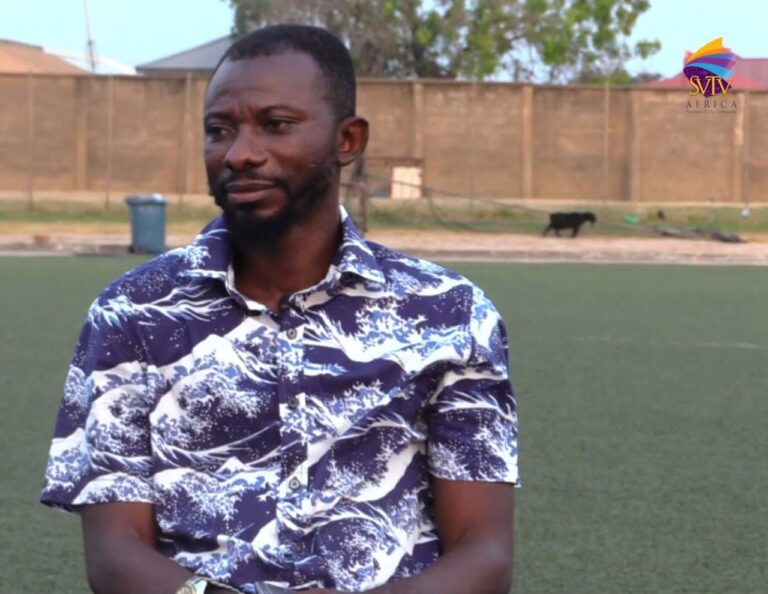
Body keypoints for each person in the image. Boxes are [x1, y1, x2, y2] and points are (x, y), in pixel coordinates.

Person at [41, 24, 519, 594]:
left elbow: (484, 553)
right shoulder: (132, 314)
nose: (240, 153)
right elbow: (114, 554)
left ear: (348, 141)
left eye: (276, 124)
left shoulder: (450, 314)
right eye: (219, 130)